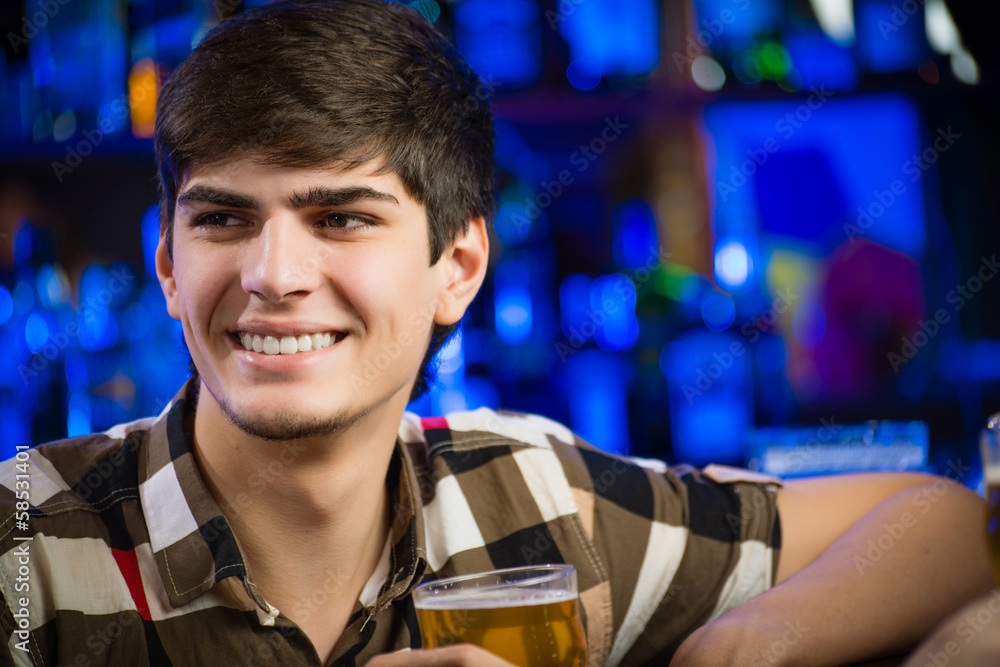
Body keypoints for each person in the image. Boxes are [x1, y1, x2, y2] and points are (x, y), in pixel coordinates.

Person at [0, 1, 992, 665]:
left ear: (457, 269)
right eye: (222, 219)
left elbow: (940, 522)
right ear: (169, 267)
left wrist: (748, 643)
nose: (272, 275)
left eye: (341, 218)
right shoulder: (27, 546)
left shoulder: (529, 495)